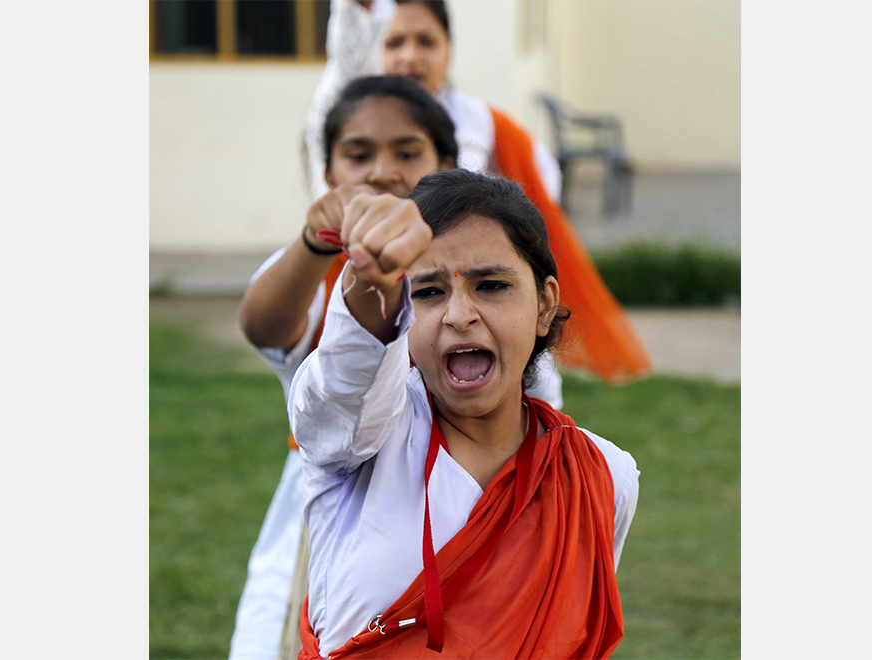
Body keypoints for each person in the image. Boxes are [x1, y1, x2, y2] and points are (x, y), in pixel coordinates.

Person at [228, 76, 561, 660]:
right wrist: (332, 256)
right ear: (328, 173)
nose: (382, 172)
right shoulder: (331, 284)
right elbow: (268, 331)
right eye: (358, 155)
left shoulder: (601, 478)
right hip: (334, 538)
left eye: (407, 153)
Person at [291, 169, 640, 658]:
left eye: (491, 286)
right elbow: (344, 383)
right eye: (428, 292)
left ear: (545, 305)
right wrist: (373, 280)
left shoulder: (602, 477)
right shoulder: (361, 438)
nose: (459, 314)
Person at [306, 0, 652, 384]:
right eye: (394, 43)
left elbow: (534, 190)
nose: (409, 57)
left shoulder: (481, 123)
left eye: (426, 42)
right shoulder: (352, 114)